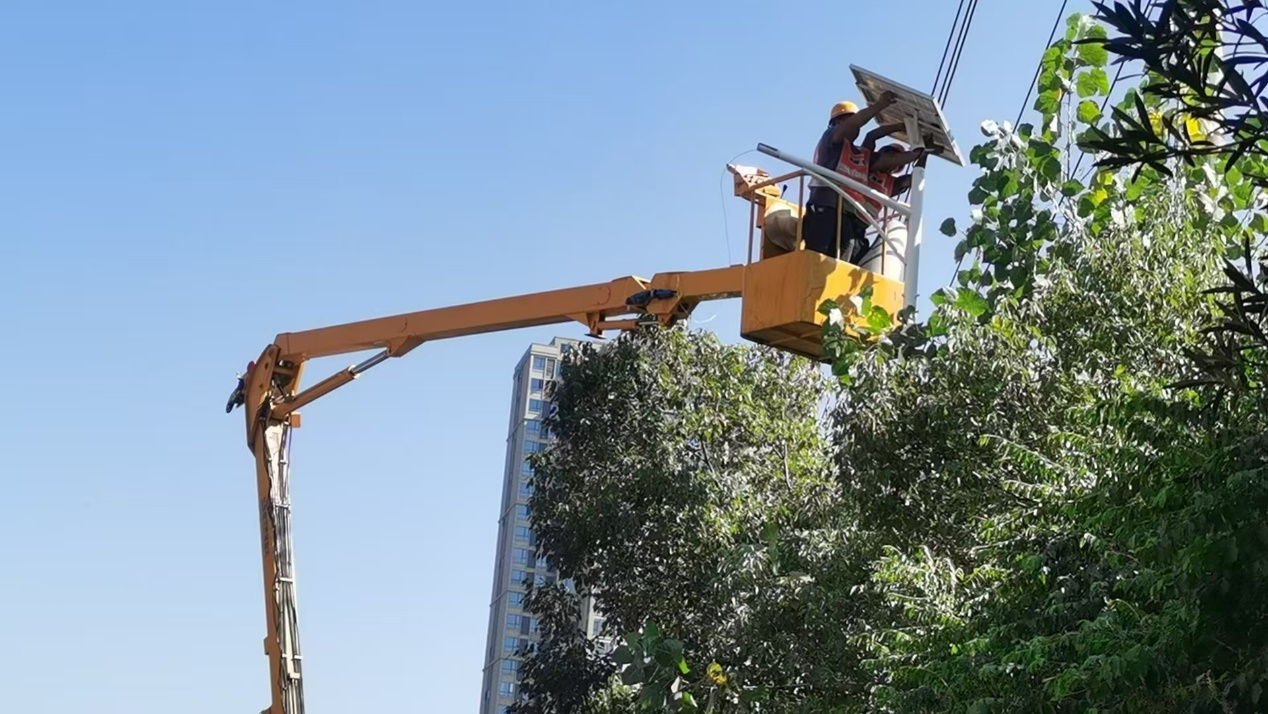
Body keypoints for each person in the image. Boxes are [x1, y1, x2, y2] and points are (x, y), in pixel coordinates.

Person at [803, 92, 898, 264]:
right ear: (836, 123)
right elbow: (856, 125)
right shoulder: (830, 140)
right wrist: (879, 106)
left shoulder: (859, 153)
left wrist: (902, 127)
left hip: (847, 215)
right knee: (817, 260)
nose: (854, 126)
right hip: (824, 208)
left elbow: (873, 138)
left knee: (845, 259)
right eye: (847, 121)